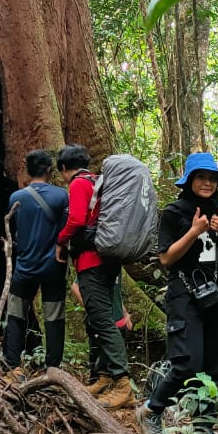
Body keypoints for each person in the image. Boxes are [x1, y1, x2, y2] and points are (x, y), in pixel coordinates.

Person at [136, 152, 218, 434]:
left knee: (214, 368)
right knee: (187, 363)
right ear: (189, 180)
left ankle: (203, 433)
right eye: (201, 177)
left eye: (212, 178)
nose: (207, 183)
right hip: (185, 296)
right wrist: (194, 231)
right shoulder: (174, 212)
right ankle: (151, 410)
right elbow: (166, 258)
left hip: (217, 295)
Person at [56, 144, 134, 409]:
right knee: (104, 319)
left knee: (102, 321)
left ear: (64, 168)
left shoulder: (79, 184)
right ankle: (103, 377)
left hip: (92, 262)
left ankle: (123, 385)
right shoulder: (99, 183)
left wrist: (60, 241)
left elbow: (77, 220)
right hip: (109, 259)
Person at [1, 149, 69, 377]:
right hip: (53, 267)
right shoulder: (62, 196)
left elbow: (15, 231)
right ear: (50, 170)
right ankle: (53, 369)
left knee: (16, 315)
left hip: (25, 267)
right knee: (54, 318)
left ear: (28, 171)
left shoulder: (16, 198)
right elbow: (65, 230)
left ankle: (12, 367)